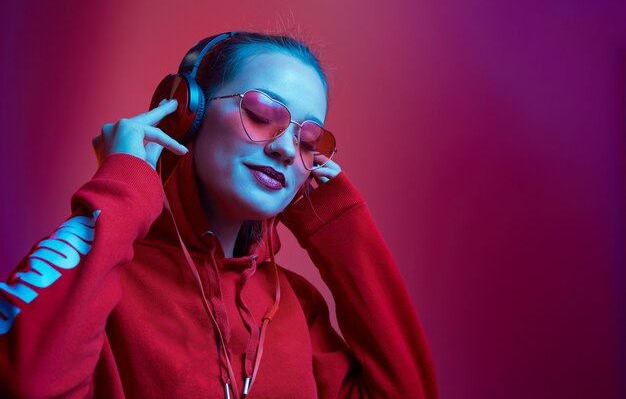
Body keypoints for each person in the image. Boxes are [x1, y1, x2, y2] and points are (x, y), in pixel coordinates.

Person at [0, 31, 438, 398]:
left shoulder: (299, 308)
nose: (286, 149)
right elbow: (27, 382)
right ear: (187, 115)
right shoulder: (103, 276)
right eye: (261, 114)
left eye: (309, 141)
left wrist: (339, 223)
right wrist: (120, 192)